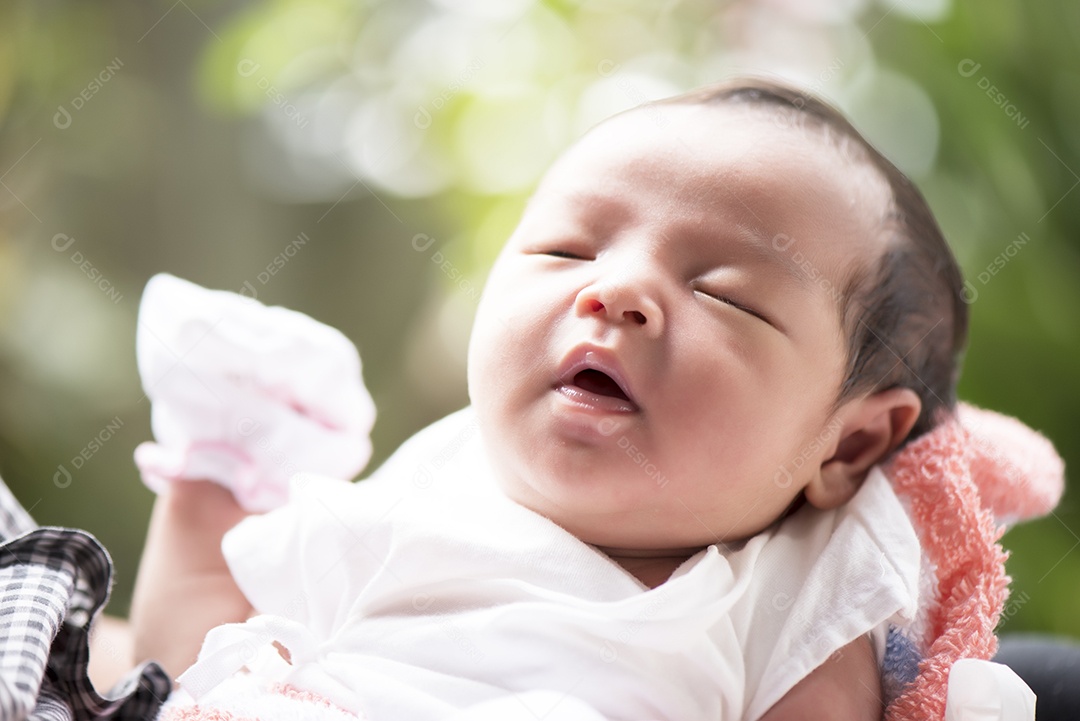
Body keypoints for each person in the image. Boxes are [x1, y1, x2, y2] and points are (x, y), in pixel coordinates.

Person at [127, 77, 979, 720]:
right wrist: (213, 488)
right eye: (569, 249)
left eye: (725, 294)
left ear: (849, 444)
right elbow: (186, 664)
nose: (616, 291)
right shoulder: (426, 491)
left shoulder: (790, 584)